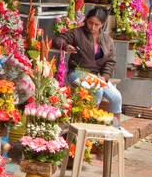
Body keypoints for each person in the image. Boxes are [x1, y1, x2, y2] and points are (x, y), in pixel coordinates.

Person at [55, 7, 132, 137]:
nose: (92, 27)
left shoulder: (107, 40)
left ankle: (116, 127)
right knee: (97, 90)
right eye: (90, 22)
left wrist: (105, 77)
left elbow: (110, 62)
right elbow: (58, 40)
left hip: (97, 77)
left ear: (102, 24)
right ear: (86, 21)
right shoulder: (77, 33)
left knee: (116, 96)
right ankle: (90, 125)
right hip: (78, 72)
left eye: (96, 24)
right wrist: (66, 46)